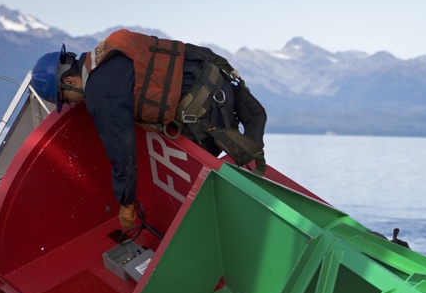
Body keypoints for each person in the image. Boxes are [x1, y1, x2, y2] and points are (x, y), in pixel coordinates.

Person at [30, 29, 268, 229]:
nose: (73, 104)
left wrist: (126, 203)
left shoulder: (99, 92)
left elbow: (122, 150)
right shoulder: (109, 49)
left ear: (69, 81)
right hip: (218, 82)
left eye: (66, 98)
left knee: (189, 192)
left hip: (203, 112)